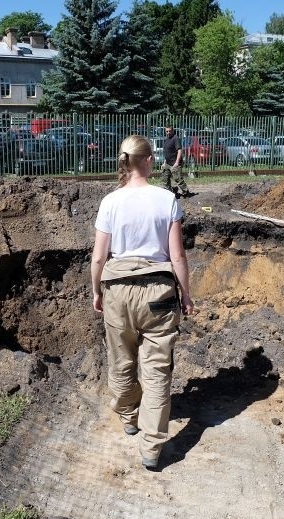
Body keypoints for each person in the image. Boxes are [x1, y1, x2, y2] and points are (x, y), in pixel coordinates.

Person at [91, 135, 194, 470]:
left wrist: (97, 291)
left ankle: (129, 417)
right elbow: (177, 255)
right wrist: (187, 294)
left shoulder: (110, 202)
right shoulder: (166, 200)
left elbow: (98, 258)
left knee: (121, 361)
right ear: (149, 160)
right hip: (158, 293)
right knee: (157, 370)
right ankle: (152, 448)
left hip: (118, 291)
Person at [160, 126, 195, 198]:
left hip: (175, 163)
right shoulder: (167, 139)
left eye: (170, 131)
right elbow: (167, 152)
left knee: (178, 179)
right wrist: (164, 162)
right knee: (164, 179)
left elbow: (179, 150)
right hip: (167, 163)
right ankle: (170, 193)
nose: (168, 133)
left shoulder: (176, 138)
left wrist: (177, 162)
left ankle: (186, 193)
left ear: (173, 131)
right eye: (167, 131)